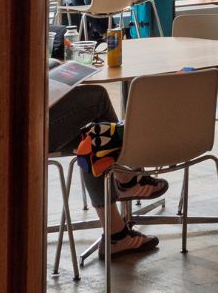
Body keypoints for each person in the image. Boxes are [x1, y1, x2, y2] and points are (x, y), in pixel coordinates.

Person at [47, 77, 167, 257]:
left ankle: (116, 234)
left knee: (91, 138)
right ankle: (127, 177)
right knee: (98, 98)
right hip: (24, 127)